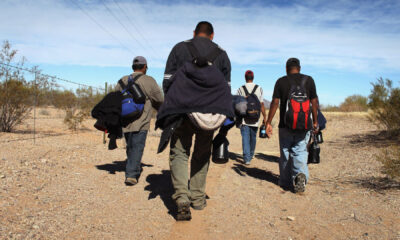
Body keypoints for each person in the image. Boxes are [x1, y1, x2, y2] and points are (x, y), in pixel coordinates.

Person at [163, 21, 231, 220]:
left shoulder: (179, 48)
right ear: (212, 35)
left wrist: (173, 106)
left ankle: (182, 198)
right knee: (202, 154)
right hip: (209, 113)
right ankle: (198, 199)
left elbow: (167, 82)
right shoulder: (222, 54)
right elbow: (225, 89)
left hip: (182, 110)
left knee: (180, 152)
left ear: (194, 33)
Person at [265, 58, 318, 193]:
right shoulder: (309, 80)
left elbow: (275, 102)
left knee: (285, 151)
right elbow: (314, 101)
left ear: (286, 68)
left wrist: (268, 122)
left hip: (285, 124)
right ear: (299, 68)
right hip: (305, 124)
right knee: (300, 150)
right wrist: (315, 120)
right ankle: (300, 175)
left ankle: (286, 181)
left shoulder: (281, 81)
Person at [116, 56, 164, 186]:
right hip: (141, 120)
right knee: (137, 146)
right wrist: (162, 111)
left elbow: (115, 98)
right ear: (144, 67)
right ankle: (131, 175)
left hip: (125, 120)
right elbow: (159, 99)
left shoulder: (122, 80)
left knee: (131, 145)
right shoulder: (148, 80)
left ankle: (132, 166)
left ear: (133, 67)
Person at [236, 70, 267, 165]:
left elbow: (238, 104)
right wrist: (265, 117)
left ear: (245, 78)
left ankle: (247, 159)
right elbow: (262, 104)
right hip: (256, 118)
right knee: (253, 137)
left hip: (244, 118)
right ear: (253, 77)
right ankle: (251, 154)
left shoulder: (241, 89)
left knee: (245, 137)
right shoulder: (259, 88)